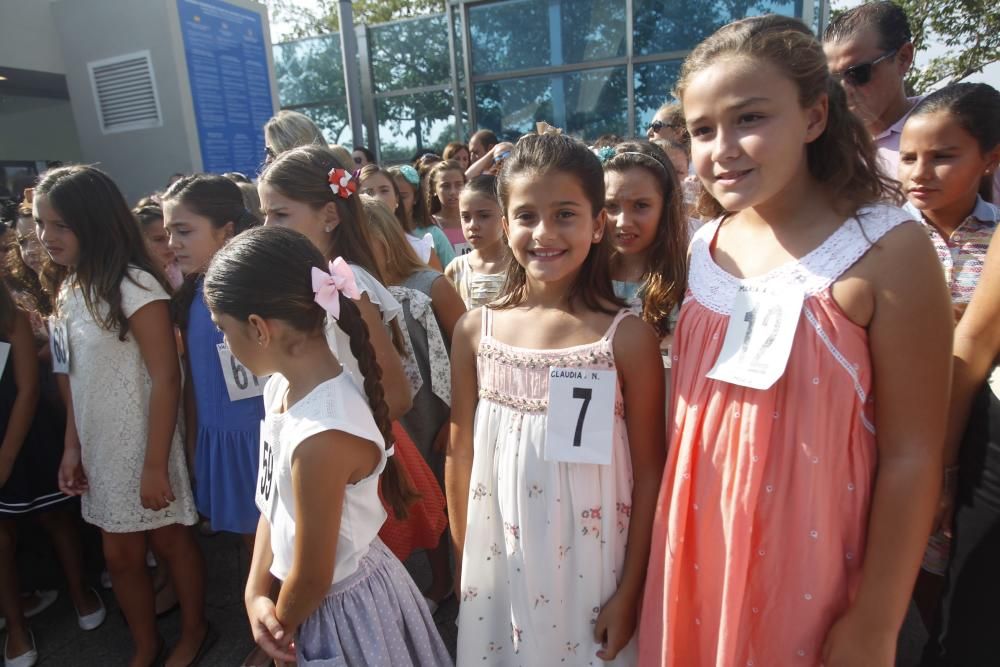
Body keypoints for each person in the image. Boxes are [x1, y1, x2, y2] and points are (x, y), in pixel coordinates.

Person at [637, 15, 952, 667]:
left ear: (814, 117)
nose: (721, 147)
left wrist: (876, 619)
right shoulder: (704, 246)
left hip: (818, 567)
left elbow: (913, 456)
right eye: (701, 130)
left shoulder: (887, 245)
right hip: (698, 551)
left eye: (749, 118)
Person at [447, 133, 666, 664]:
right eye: (525, 215)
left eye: (565, 214)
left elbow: (650, 472)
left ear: (596, 225)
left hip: (596, 570)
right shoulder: (476, 332)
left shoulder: (627, 339)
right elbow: (460, 454)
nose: (543, 232)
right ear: (504, 221)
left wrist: (632, 590)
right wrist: (465, 564)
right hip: (500, 562)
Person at [202, 225, 452, 665]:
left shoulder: (322, 434)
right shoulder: (278, 389)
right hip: (303, 603)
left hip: (341, 612)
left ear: (259, 328)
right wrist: (255, 591)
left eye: (224, 328)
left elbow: (315, 575)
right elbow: (271, 502)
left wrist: (276, 629)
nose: (225, 341)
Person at [36, 166, 209, 667]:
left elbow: (167, 376)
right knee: (120, 557)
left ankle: (196, 631)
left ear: (93, 222)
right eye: (41, 224)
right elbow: (71, 379)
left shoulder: (135, 286)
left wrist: (156, 463)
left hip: (147, 443)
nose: (46, 237)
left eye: (59, 225)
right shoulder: (68, 292)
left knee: (172, 542)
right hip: (100, 447)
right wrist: (72, 445)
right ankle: (144, 644)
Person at [907, 85, 1000, 667]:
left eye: (944, 156)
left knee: (955, 600)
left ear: (990, 156)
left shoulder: (993, 241)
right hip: (888, 439)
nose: (921, 172)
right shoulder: (876, 241)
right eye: (911, 156)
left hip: (974, 446)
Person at [361, 195, 465, 608]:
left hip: (436, 413)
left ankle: (460, 581)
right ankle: (436, 579)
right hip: (393, 417)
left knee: (449, 496)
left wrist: (456, 416)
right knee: (416, 500)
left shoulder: (429, 285)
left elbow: (468, 349)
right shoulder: (352, 294)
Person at [257, 145, 413, 421]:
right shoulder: (308, 279)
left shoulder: (344, 282)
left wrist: (337, 446)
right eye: (265, 214)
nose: (267, 227)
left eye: (280, 214)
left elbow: (396, 396)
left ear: (329, 215)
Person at [0, 279, 105, 667]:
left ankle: (80, 591)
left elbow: (28, 389)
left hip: (27, 437)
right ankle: (15, 628)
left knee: (56, 518)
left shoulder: (13, 318)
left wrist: (6, 458)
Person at [162, 175, 263, 542]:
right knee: (255, 546)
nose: (173, 244)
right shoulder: (193, 291)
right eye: (168, 232)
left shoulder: (250, 290)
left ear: (226, 230)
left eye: (184, 231)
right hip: (219, 434)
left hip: (260, 436)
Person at [603, 141, 688, 387]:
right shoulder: (582, 277)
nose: (623, 222)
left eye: (641, 206)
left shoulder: (688, 278)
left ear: (666, 207)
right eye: (611, 206)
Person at [823, 1, 921, 181]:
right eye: (833, 79)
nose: (844, 89)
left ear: (903, 58)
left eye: (857, 73)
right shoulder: (824, 143)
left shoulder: (951, 128)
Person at [444, 175, 510, 309]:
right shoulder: (455, 269)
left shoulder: (520, 266)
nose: (473, 225)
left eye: (484, 216)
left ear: (505, 216)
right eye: (466, 217)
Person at [359, 164, 442, 269]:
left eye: (384, 190)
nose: (377, 198)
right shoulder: (351, 251)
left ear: (397, 199)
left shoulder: (420, 250)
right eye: (368, 192)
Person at [133, 198, 182, 289]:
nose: (170, 244)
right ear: (139, 241)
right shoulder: (139, 277)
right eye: (159, 239)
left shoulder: (187, 269)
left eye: (171, 235)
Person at [424, 160, 467, 257]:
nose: (453, 191)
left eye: (458, 184)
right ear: (434, 189)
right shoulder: (428, 224)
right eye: (445, 186)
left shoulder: (475, 219)